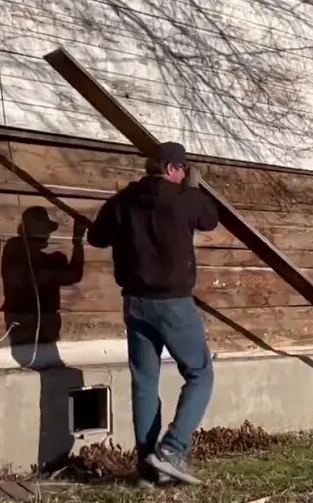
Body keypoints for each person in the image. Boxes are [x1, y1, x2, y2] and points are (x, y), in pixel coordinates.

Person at [87, 141, 219, 487]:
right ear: (174, 168)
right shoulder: (184, 198)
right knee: (200, 374)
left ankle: (148, 469)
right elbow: (210, 218)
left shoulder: (123, 201)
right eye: (184, 169)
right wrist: (194, 189)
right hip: (173, 303)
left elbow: (96, 237)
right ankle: (172, 450)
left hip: (135, 303)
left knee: (145, 383)